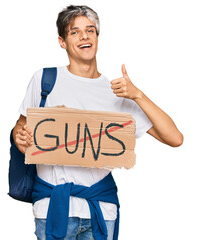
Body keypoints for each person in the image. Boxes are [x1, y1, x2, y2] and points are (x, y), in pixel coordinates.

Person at [13, 5, 183, 240]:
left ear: (97, 37)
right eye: (75, 32)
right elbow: (20, 126)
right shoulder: (44, 79)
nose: (84, 36)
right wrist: (19, 136)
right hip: (53, 207)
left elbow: (175, 138)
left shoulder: (117, 92)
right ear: (62, 41)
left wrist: (138, 95)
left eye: (90, 30)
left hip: (100, 209)